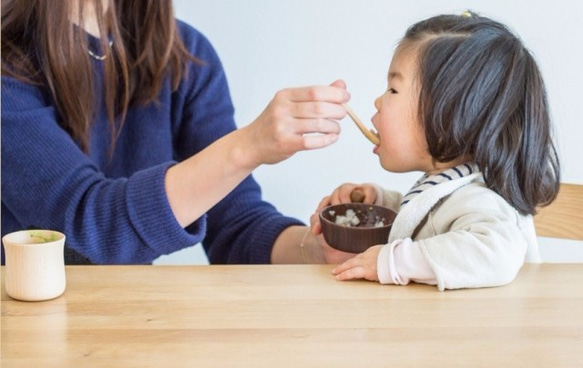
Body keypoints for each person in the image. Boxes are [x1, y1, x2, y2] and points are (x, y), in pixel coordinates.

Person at [1, 0, 349, 265]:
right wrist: (248, 146)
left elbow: (236, 222)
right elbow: (89, 225)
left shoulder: (186, 55)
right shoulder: (8, 64)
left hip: (135, 325)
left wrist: (315, 247)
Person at [310, 11, 561, 290]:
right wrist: (383, 202)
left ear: (450, 115)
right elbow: (430, 221)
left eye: (393, 90)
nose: (378, 101)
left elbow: (496, 252)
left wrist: (393, 262)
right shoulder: (452, 185)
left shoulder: (480, 198)